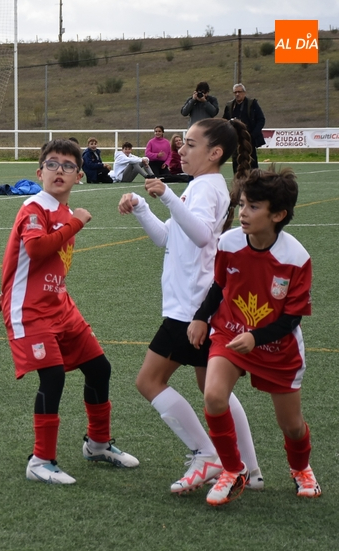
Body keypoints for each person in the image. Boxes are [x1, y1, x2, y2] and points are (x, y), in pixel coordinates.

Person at [118, 118, 262, 494]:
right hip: (195, 304)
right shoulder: (201, 186)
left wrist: (165, 195)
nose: (180, 150)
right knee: (212, 387)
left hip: (191, 310)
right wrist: (139, 208)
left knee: (149, 381)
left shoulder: (204, 188)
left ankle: (207, 452)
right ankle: (250, 468)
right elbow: (168, 237)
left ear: (214, 153)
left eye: (190, 144)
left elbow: (199, 236)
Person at [0, 139, 139, 484]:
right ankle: (40, 461)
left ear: (79, 177)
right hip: (32, 313)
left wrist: (7, 292)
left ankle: (98, 444)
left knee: (99, 369)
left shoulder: (65, 213)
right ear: (39, 173)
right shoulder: (34, 208)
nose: (59, 171)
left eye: (68, 166)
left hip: (60, 307)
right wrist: (77, 223)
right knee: (52, 376)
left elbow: (38, 264)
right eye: (52, 164)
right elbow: (37, 249)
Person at [189, 168, 319, 506]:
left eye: (253, 207)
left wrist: (256, 338)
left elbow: (292, 317)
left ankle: (301, 468)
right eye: (242, 204)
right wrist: (201, 318)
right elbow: (219, 287)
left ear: (278, 215)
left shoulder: (296, 258)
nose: (243, 213)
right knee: (214, 396)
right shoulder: (229, 242)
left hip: (278, 349)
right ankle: (233, 471)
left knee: (291, 426)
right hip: (230, 335)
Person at [223, 83, 266, 173]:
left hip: (249, 139)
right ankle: (238, 183)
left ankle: (254, 184)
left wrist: (253, 135)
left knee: (252, 164)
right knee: (236, 163)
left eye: (239, 92)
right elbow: (225, 122)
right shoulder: (229, 106)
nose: (237, 94)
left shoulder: (252, 104)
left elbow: (261, 120)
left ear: (244, 93)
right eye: (235, 92)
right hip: (236, 141)